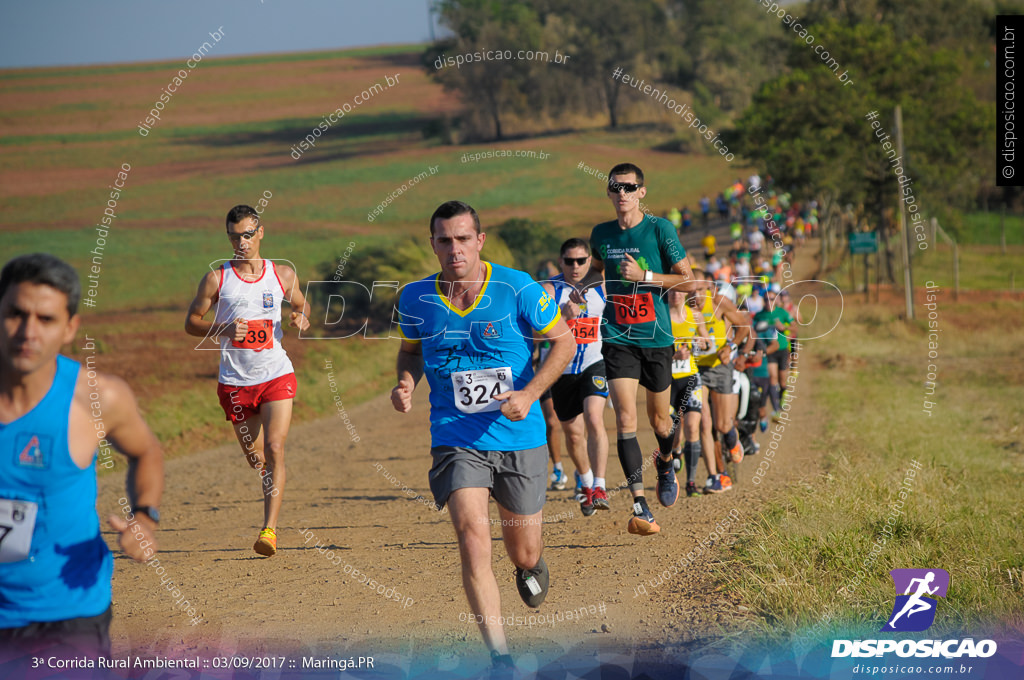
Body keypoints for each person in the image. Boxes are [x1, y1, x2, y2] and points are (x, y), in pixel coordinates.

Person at [391, 200, 574, 672]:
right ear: (433, 244)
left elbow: (564, 342)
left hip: (519, 435)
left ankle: (531, 565)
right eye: (444, 240)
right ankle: (500, 658)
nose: (454, 248)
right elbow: (411, 352)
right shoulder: (415, 298)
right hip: (455, 435)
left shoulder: (518, 288)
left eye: (463, 238)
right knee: (472, 535)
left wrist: (531, 393)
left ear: (480, 240)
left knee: (523, 549)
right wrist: (407, 381)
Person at [0, 253, 164, 660]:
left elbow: (146, 451)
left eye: (46, 319)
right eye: (15, 314)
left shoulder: (96, 399)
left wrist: (145, 517)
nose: (28, 332)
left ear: (70, 328)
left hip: (67, 615)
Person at [184, 205, 310, 557]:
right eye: (234, 236)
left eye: (247, 234)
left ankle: (269, 530)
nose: (241, 242)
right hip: (235, 382)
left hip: (276, 374)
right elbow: (191, 322)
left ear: (261, 233)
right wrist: (221, 328)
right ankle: (265, 475)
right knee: (256, 458)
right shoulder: (217, 279)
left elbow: (302, 304)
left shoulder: (282, 274)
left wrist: (301, 316)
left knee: (274, 449)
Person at [589, 163, 705, 536]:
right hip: (617, 335)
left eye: (629, 187)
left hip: (656, 338)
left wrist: (647, 278)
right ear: (608, 192)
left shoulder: (659, 230)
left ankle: (667, 460)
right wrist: (571, 290)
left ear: (641, 192)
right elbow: (594, 271)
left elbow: (689, 282)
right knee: (625, 419)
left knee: (660, 422)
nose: (621, 193)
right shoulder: (601, 233)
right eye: (615, 187)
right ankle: (639, 503)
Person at [540, 238, 610, 517]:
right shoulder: (547, 289)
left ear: (589, 261)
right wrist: (561, 315)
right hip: (561, 370)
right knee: (573, 432)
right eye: (569, 261)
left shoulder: (600, 287)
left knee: (594, 419)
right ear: (561, 262)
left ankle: (601, 486)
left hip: (594, 363)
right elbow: (534, 332)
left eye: (582, 260)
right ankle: (586, 480)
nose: (576, 266)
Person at [694, 273, 752, 488]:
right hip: (696, 369)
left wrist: (731, 347)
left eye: (701, 289)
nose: (696, 294)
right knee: (705, 425)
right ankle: (715, 476)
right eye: (692, 289)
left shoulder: (719, 302)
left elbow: (744, 327)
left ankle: (731, 438)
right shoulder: (682, 305)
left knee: (722, 424)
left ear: (708, 288)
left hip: (720, 367)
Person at [666, 289, 711, 497]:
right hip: (667, 379)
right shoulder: (661, 315)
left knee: (692, 426)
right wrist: (673, 355)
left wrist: (703, 343)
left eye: (680, 291)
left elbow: (708, 342)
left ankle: (691, 483)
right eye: (671, 291)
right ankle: (675, 451)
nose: (676, 295)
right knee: (671, 428)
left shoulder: (694, 315)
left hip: (691, 377)